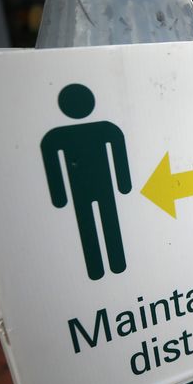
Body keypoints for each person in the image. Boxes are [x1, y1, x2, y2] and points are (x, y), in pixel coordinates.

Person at [41, 83, 132, 280]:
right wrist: (124, 185)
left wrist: (60, 197)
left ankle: (110, 265)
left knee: (103, 223)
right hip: (88, 190)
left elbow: (118, 154)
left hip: (94, 189)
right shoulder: (58, 136)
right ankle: (102, 269)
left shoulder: (58, 136)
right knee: (91, 226)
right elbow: (53, 166)